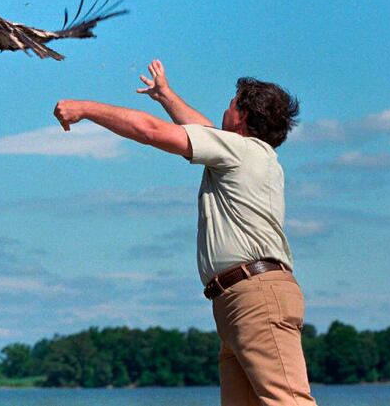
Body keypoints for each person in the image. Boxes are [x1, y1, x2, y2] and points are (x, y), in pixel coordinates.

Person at [53, 60, 315, 406]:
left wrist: (85, 109)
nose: (225, 109)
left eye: (232, 104)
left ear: (243, 117)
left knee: (288, 402)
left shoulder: (240, 151)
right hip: (238, 300)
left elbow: (151, 131)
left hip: (256, 297)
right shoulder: (248, 154)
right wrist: (165, 95)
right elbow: (203, 128)